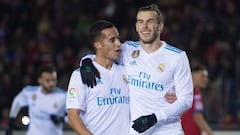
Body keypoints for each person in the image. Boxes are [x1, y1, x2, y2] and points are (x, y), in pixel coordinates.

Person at [80, 4, 193, 135]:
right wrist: (86, 62)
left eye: (150, 22)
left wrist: (155, 117)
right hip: (137, 132)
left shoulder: (177, 57)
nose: (145, 26)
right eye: (141, 22)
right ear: (136, 26)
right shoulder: (128, 50)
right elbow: (103, 52)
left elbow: (186, 100)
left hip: (168, 131)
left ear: (160, 26)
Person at [66, 20, 130, 135]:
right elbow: (72, 116)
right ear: (98, 45)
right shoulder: (80, 75)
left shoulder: (126, 71)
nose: (118, 43)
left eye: (118, 39)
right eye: (112, 40)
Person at [5, 65, 67, 135]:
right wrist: (11, 121)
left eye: (54, 80)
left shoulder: (63, 96)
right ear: (40, 80)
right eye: (48, 80)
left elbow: (75, 114)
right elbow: (17, 103)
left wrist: (63, 119)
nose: (51, 83)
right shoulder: (30, 92)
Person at [181, 64, 213, 135]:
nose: (206, 79)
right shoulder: (196, 95)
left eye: (206, 77)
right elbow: (198, 117)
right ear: (193, 75)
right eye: (202, 76)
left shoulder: (180, 91)